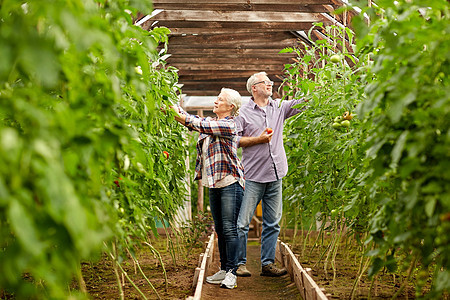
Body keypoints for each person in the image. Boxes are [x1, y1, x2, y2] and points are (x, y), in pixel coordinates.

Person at [170, 88, 247, 289]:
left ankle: (232, 272)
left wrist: (180, 116)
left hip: (230, 182)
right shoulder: (213, 123)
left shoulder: (229, 125)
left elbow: (198, 123)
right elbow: (196, 120)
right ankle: (224, 268)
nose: (215, 101)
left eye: (220, 99)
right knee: (220, 229)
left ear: (230, 106)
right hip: (214, 183)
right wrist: (174, 109)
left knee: (230, 228)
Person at [234, 72, 308, 277]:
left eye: (270, 82)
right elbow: (236, 140)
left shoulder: (279, 107)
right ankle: (240, 264)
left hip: (276, 174)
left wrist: (319, 88)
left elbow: (303, 103)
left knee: (273, 222)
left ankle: (267, 264)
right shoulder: (243, 112)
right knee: (242, 223)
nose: (270, 84)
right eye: (265, 82)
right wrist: (258, 140)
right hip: (253, 176)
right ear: (254, 88)